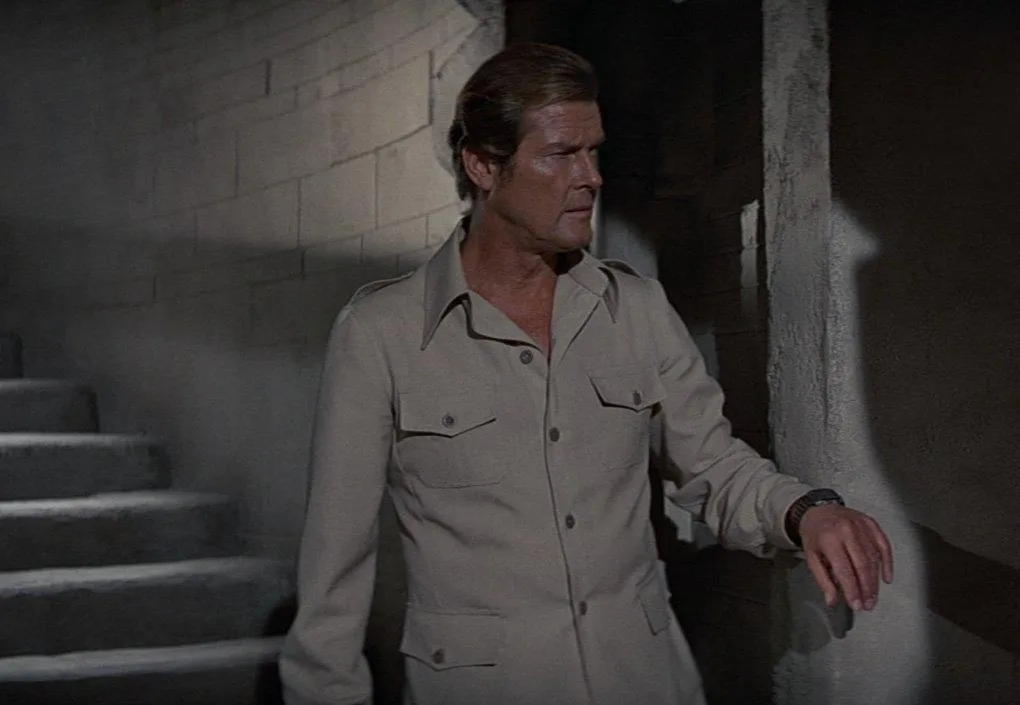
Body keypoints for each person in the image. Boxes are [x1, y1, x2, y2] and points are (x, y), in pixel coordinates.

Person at [278, 42, 893, 705]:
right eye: (560, 154)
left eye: (593, 151)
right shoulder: (380, 332)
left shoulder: (636, 308)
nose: (591, 177)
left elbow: (713, 466)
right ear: (483, 165)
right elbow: (335, 570)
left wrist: (804, 511)